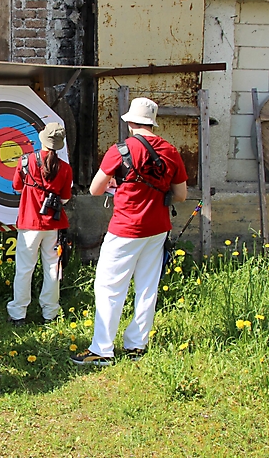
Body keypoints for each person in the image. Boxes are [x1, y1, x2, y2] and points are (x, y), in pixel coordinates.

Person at [71, 97, 187, 366]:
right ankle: (136, 345)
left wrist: (119, 183)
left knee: (109, 287)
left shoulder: (120, 150)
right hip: (157, 228)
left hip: (125, 227)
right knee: (147, 287)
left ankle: (102, 349)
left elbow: (95, 189)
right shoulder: (171, 151)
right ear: (152, 123)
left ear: (130, 122)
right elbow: (180, 195)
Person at [7, 122, 73, 326]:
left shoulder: (25, 161)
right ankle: (50, 313)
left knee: (24, 269)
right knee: (52, 268)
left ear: (42, 138)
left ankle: (18, 313)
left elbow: (17, 187)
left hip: (29, 223)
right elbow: (64, 199)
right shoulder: (65, 168)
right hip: (53, 225)